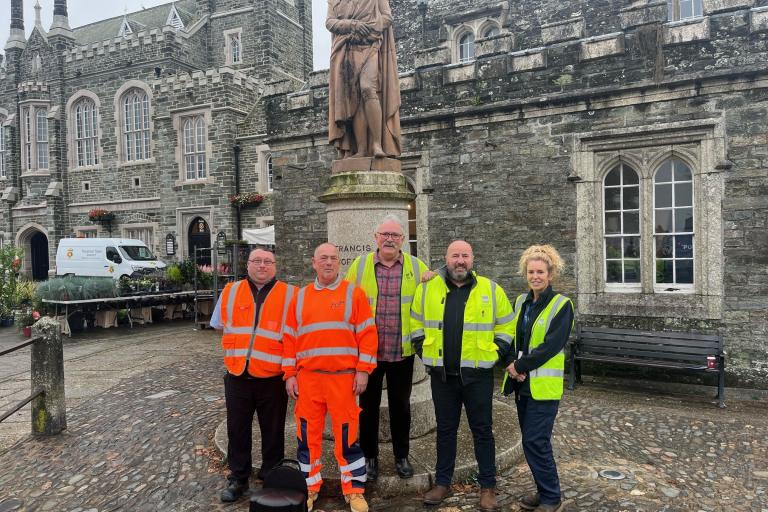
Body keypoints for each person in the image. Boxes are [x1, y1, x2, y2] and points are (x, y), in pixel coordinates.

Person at [410, 240, 514, 512]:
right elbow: (415, 322)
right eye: (455, 255)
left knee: (482, 431)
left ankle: (487, 486)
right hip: (443, 377)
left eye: (465, 256)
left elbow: (506, 325)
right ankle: (442, 482)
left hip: (477, 376)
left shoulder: (491, 290)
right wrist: (424, 351)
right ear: (445, 259)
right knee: (445, 430)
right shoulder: (427, 287)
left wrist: (495, 353)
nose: (460, 261)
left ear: (472, 259)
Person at [282, 243, 378, 512]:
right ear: (314, 262)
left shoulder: (354, 294)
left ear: (339, 263)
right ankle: (309, 487)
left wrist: (363, 370)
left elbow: (368, 335)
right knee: (306, 436)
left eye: (333, 258)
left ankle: (355, 489)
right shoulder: (300, 297)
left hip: (344, 379)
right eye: (323, 258)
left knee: (347, 437)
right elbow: (289, 339)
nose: (328, 263)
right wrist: (290, 374)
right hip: (309, 379)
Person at [345, 215, 430, 481]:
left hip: (401, 352)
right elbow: (347, 306)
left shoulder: (417, 267)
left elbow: (434, 297)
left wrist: (436, 276)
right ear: (376, 238)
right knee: (367, 408)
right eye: (385, 235)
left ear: (403, 240)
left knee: (400, 407)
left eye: (395, 235)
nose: (390, 239)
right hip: (368, 354)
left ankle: (401, 456)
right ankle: (370, 458)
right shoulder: (359, 266)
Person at [210, 248, 297, 502]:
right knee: (237, 429)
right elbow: (218, 325)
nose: (262, 266)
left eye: (268, 261)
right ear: (247, 265)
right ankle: (238, 478)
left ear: (275, 266)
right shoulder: (230, 291)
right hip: (237, 374)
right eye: (257, 261)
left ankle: (271, 476)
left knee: (273, 430)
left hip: (272, 375)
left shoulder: (291, 294)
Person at [502, 245, 574, 512]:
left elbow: (551, 346)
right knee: (530, 441)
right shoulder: (521, 302)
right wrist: (510, 363)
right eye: (531, 272)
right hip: (522, 383)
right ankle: (544, 490)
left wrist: (520, 364)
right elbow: (511, 335)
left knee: (536, 440)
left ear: (550, 274)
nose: (535, 276)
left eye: (540, 272)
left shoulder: (562, 305)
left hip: (543, 386)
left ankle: (552, 497)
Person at [326, 0, 401, 159]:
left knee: (367, 88)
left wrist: (370, 28)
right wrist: (353, 25)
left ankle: (377, 144)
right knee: (355, 99)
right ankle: (361, 149)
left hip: (371, 47)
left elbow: (387, 18)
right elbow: (330, 22)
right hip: (347, 49)